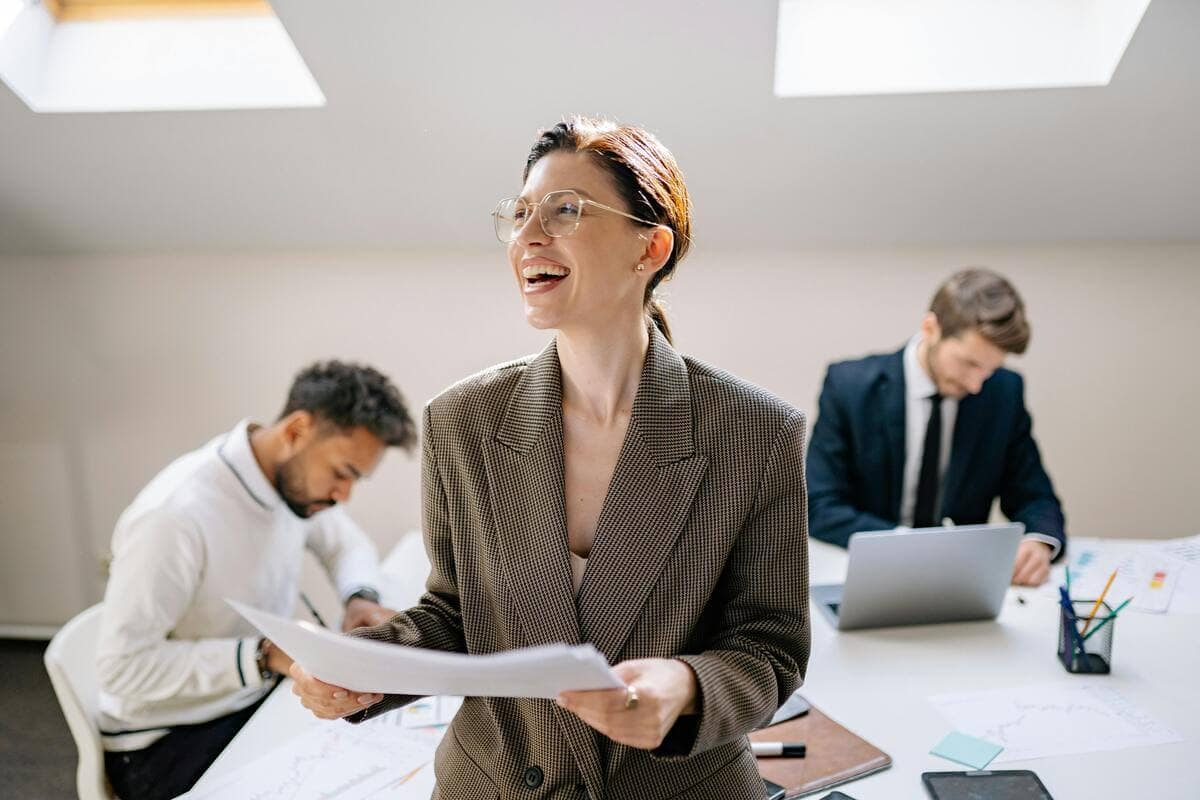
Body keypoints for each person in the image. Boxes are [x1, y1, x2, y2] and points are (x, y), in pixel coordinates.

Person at [291, 117, 810, 799]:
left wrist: (686, 688)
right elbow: (456, 615)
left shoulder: (757, 434)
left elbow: (768, 648)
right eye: (520, 212)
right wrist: (362, 668)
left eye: (565, 210)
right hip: (493, 782)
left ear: (649, 248)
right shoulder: (462, 422)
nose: (529, 236)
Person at [96, 360, 417, 800]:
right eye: (342, 473)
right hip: (164, 741)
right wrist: (263, 656)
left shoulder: (290, 483)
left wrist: (359, 598)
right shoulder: (174, 517)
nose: (344, 495)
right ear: (296, 431)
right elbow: (120, 669)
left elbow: (348, 545)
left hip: (248, 699)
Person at [807, 268, 1066, 586]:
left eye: (990, 369)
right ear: (931, 328)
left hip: (961, 583)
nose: (975, 384)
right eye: (969, 363)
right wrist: (908, 546)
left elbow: (1035, 496)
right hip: (869, 572)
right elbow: (820, 505)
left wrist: (1037, 542)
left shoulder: (1003, 393)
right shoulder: (849, 387)